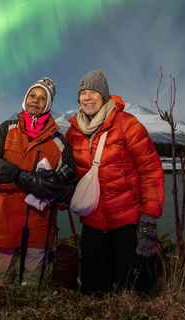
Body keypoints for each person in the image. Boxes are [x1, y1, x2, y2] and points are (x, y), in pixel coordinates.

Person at [66, 70, 165, 294]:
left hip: (127, 218)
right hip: (92, 219)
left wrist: (149, 218)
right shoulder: (73, 132)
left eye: (93, 92)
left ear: (104, 96)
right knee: (92, 290)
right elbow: (70, 173)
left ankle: (156, 260)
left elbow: (151, 169)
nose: (87, 97)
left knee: (132, 288)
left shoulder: (127, 124)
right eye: (83, 93)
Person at [0, 77, 76, 284]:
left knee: (32, 290)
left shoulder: (59, 143)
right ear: (25, 99)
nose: (36, 101)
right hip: (2, 222)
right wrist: (21, 176)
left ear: (48, 105)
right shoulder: (6, 129)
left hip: (38, 228)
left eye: (42, 98)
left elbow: (68, 190)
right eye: (32, 95)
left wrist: (60, 191)